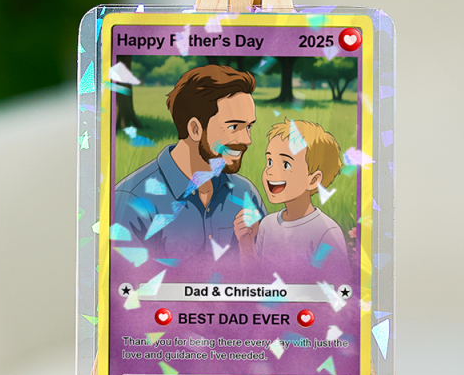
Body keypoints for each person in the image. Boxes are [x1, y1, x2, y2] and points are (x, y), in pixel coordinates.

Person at [114, 65, 264, 266]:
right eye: (233, 127)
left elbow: (269, 276)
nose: (247, 140)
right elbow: (127, 283)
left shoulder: (246, 194)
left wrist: (249, 250)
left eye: (249, 126)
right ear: (195, 129)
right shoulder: (131, 202)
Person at [234, 119, 350, 276]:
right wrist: (246, 243)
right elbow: (255, 279)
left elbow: (337, 285)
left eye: (285, 165)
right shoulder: (267, 224)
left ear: (313, 180)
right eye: (270, 161)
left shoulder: (326, 232)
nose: (270, 171)